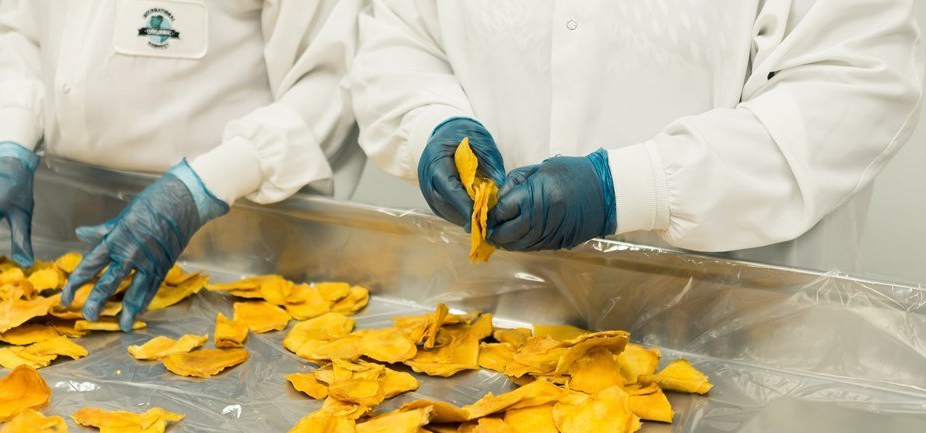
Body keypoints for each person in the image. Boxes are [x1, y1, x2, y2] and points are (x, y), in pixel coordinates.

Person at [351, 1, 924, 269]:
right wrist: (432, 122)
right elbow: (401, 36)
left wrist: (634, 188)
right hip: (504, 326)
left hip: (740, 342)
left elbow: (850, 91)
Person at [0, 0, 364, 330]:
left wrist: (204, 187)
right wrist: (11, 136)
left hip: (236, 256)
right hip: (65, 243)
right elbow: (24, 27)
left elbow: (335, 79)